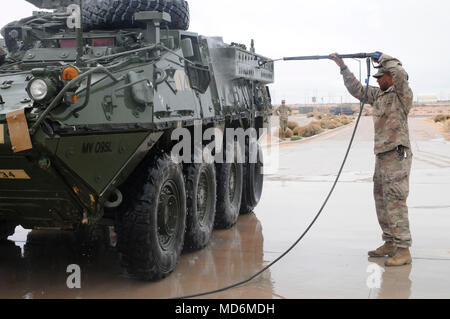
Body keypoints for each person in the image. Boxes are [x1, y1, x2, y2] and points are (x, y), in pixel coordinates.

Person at [330, 52, 413, 267]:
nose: (378, 80)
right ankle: (390, 242)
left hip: (396, 152)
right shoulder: (379, 95)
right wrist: (342, 66)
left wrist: (383, 57)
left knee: (395, 199)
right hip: (382, 154)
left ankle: (403, 249)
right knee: (381, 199)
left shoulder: (402, 94)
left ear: (389, 77)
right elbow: (357, 89)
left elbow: (400, 72)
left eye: (380, 77)